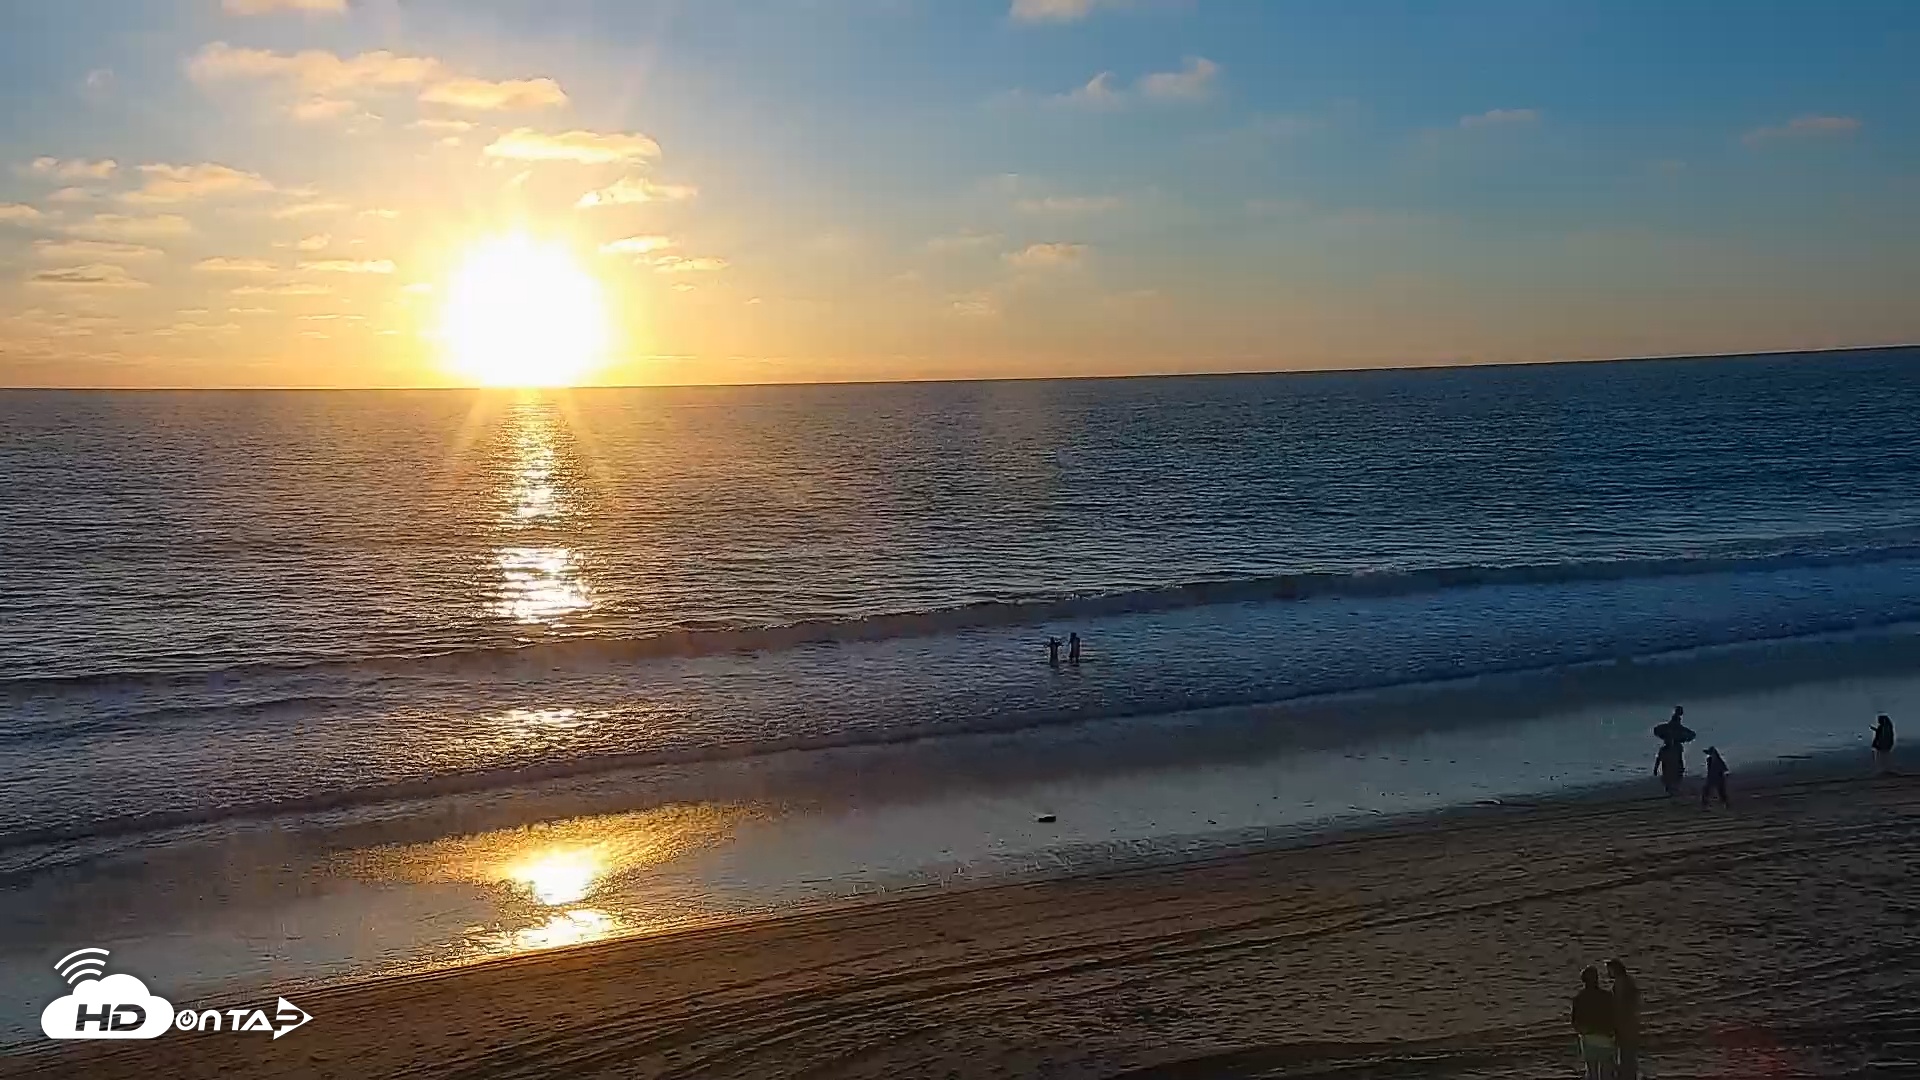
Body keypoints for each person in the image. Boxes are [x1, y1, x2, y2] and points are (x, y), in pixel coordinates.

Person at [1571, 966, 1617, 1080]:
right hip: (1606, 1038)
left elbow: (1575, 1022)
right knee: (1606, 1073)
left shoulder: (1579, 998)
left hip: (1589, 1038)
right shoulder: (1607, 996)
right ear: (1597, 979)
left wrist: (1583, 1031)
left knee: (1592, 1073)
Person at [1606, 959, 1641, 1080]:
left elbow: (1619, 1005)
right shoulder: (1629, 981)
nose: (1608, 973)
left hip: (1624, 1024)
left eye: (1609, 970)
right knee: (1629, 1055)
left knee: (1625, 1055)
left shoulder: (1620, 983)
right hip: (1631, 1023)